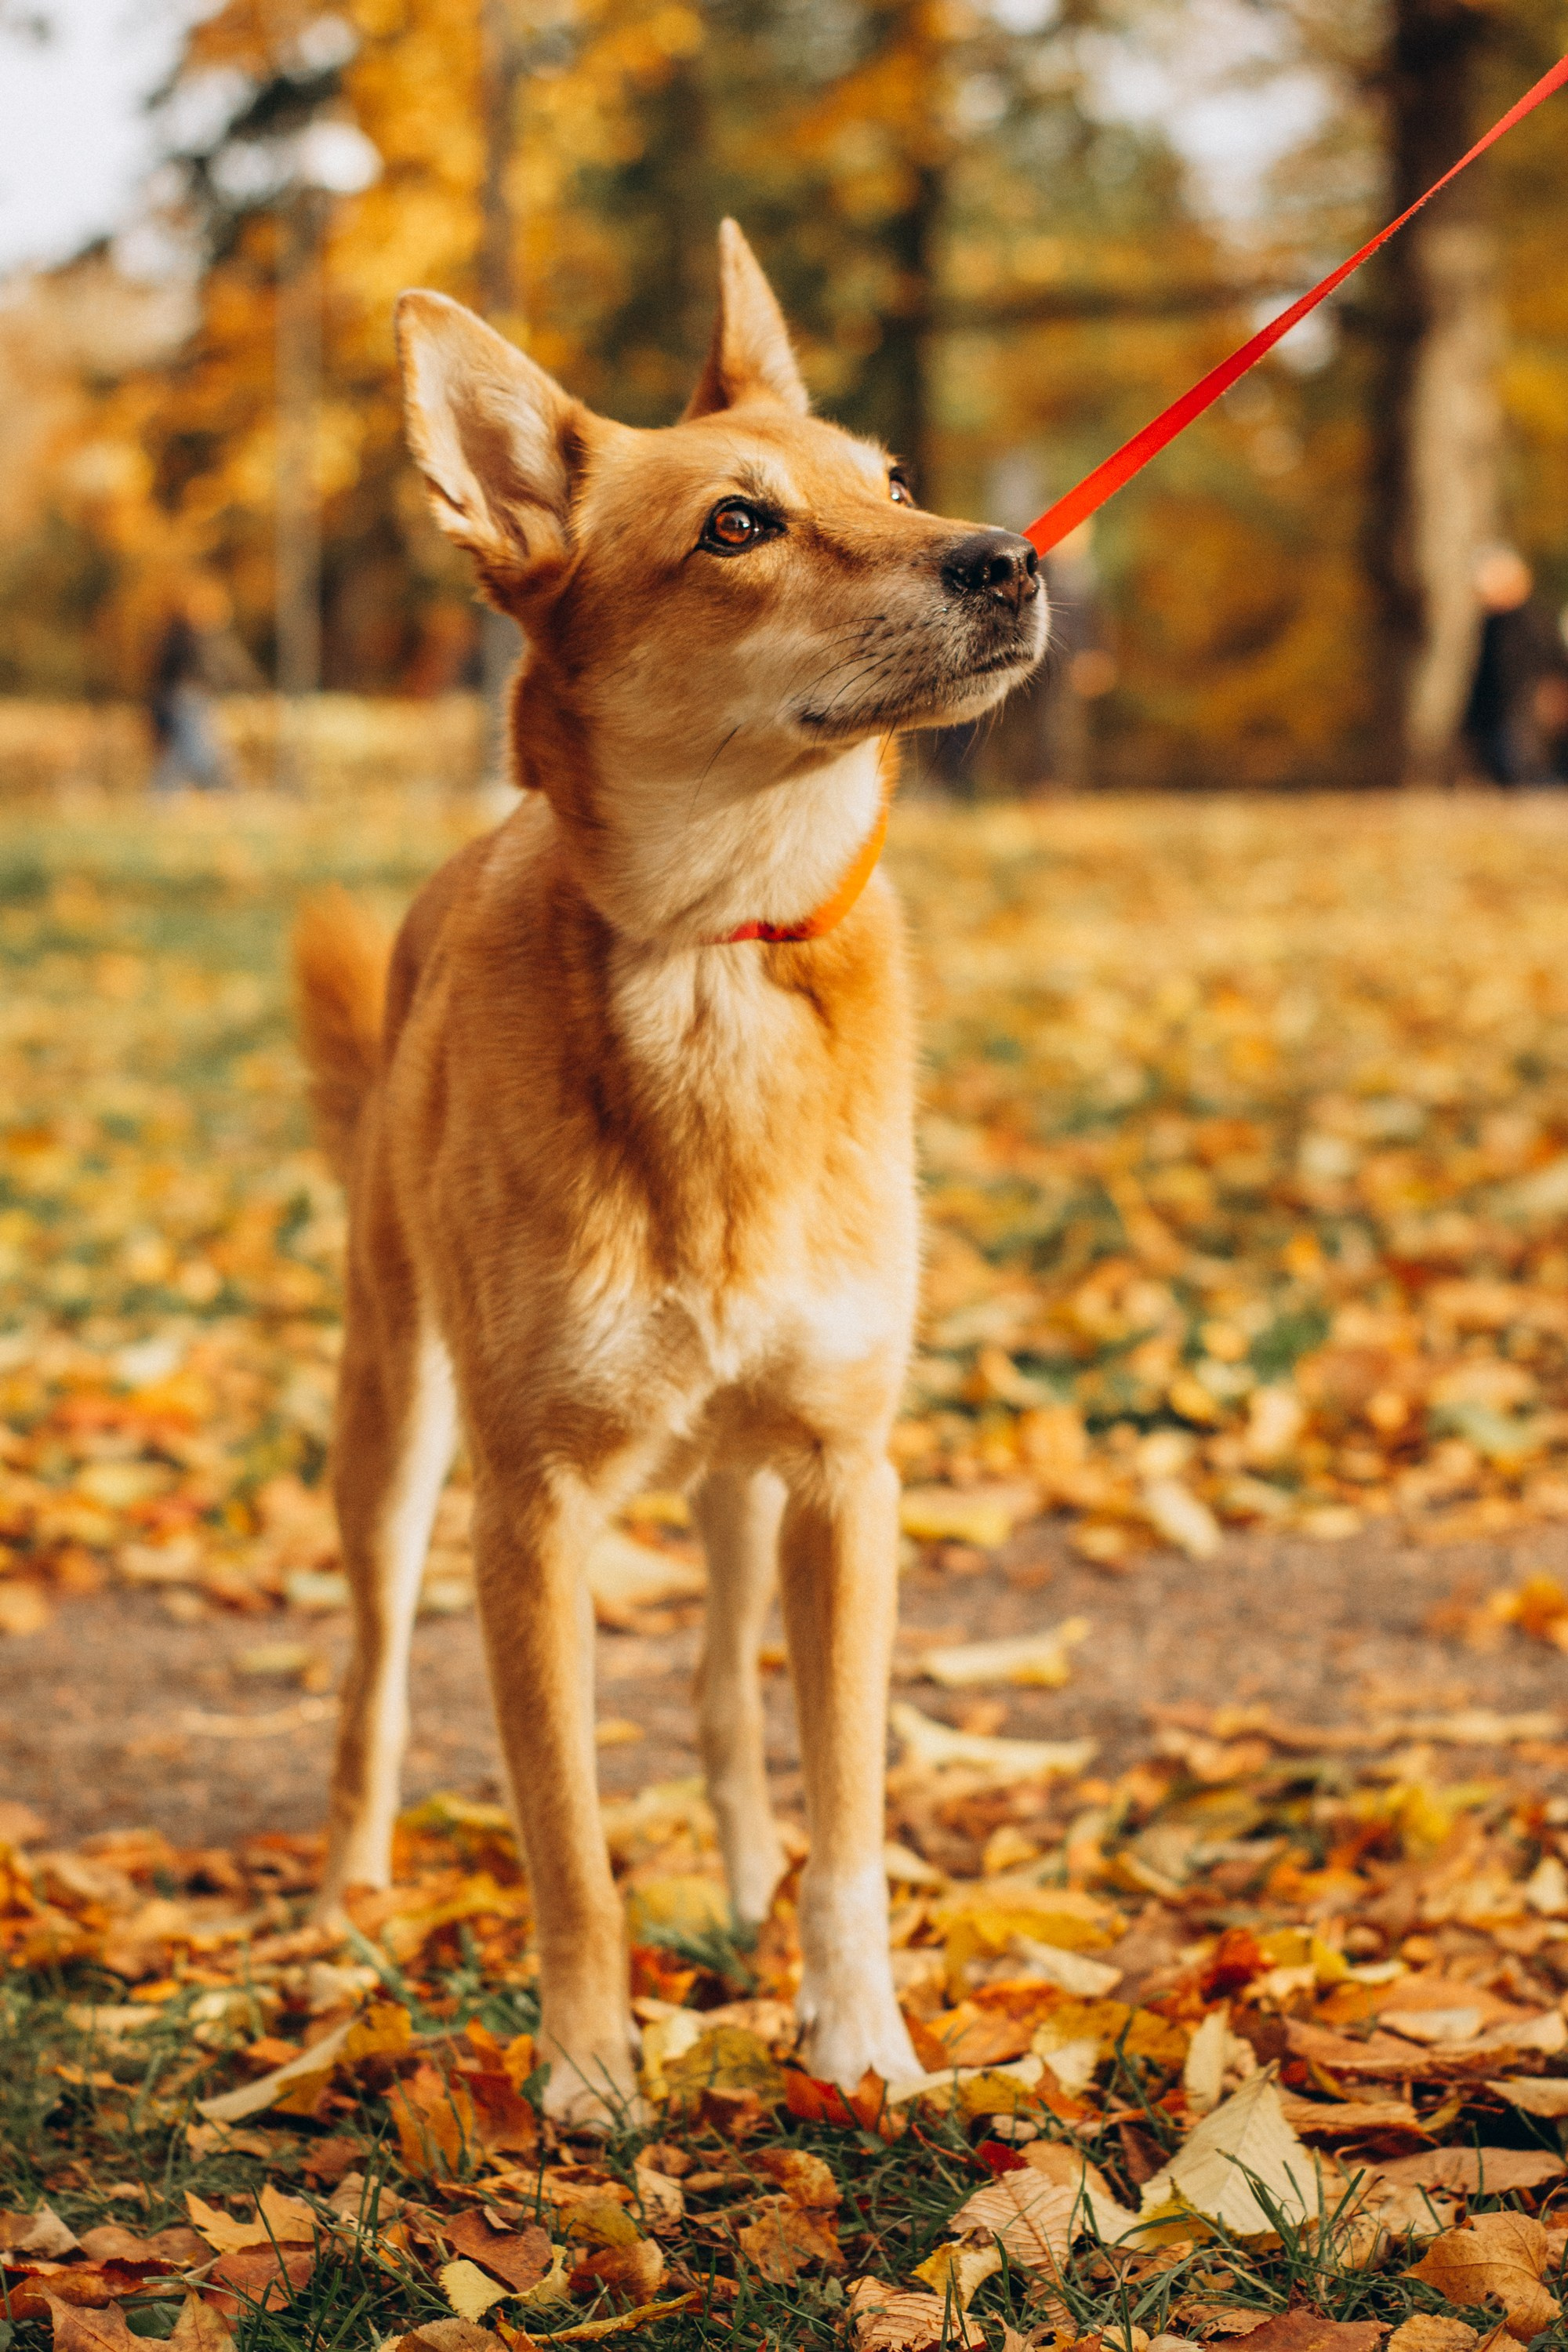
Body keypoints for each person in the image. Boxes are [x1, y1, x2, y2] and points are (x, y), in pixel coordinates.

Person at [1463, 547, 1567, 786]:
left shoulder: (1535, 622)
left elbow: (1554, 668)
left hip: (1525, 715)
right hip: (1497, 715)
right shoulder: (1490, 626)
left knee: (1526, 773)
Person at [149, 582, 234, 793]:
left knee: (182, 749)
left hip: (196, 698)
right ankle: (224, 790)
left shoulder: (203, 638)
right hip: (189, 698)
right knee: (198, 749)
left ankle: (161, 796)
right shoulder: (186, 638)